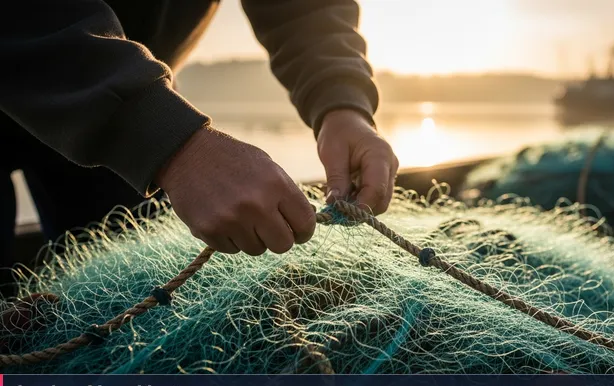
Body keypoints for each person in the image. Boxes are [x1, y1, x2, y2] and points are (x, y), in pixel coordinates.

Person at [0, 0, 399, 297]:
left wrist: (342, 103)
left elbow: (301, 11)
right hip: (125, 109)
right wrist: (173, 143)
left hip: (119, 121)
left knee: (130, 305)